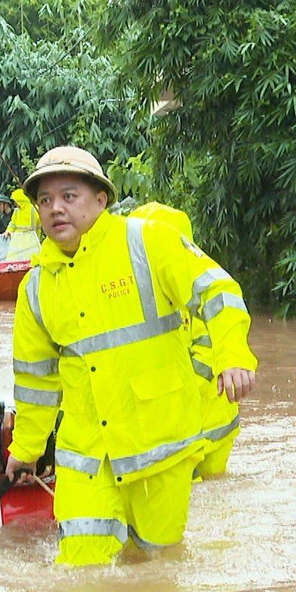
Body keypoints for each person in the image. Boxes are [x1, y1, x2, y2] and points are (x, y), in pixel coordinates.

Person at [5, 146, 258, 565]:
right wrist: (26, 449)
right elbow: (35, 382)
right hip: (86, 457)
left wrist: (233, 356)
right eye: (45, 201)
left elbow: (218, 291)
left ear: (101, 199)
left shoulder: (146, 242)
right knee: (80, 577)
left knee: (158, 574)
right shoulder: (34, 289)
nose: (55, 209)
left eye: (69, 196)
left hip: (158, 449)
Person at [130, 201, 239, 480]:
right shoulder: (192, 291)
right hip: (211, 422)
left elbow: (196, 364)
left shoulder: (181, 297)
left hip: (200, 426)